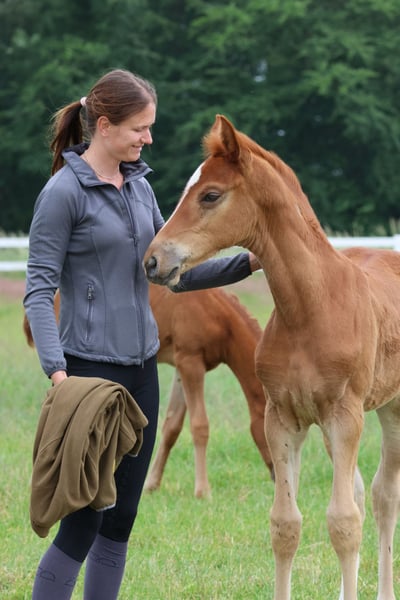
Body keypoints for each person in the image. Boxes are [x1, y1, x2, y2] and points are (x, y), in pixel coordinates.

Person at [24, 68, 260, 600]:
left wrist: (247, 262)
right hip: (87, 376)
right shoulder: (63, 193)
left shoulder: (139, 187)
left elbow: (171, 275)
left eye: (149, 127)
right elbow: (38, 291)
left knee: (120, 519)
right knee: (83, 521)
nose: (148, 138)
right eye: (139, 128)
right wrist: (59, 374)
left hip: (141, 371)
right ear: (105, 126)